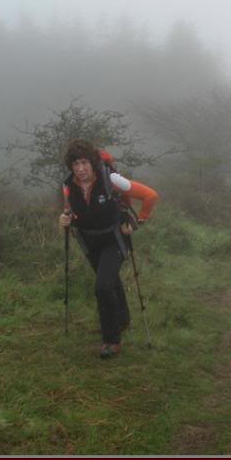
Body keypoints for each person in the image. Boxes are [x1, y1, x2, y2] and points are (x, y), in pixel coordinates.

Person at [59, 139, 158, 359]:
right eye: (75, 164)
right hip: (89, 241)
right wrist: (64, 218)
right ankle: (121, 320)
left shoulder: (110, 179)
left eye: (84, 162)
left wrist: (137, 221)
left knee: (103, 286)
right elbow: (69, 211)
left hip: (114, 239)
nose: (80, 168)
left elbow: (150, 195)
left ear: (92, 162)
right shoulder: (68, 185)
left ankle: (111, 339)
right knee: (110, 281)